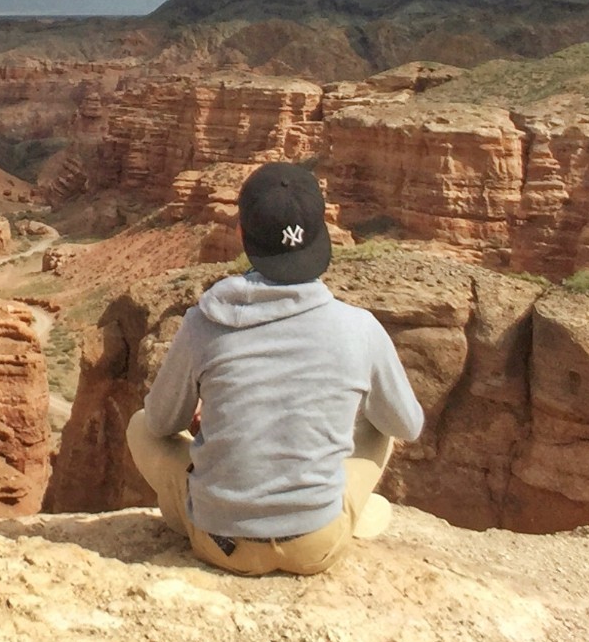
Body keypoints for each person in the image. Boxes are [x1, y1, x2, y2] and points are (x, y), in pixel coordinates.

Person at [124, 161, 424, 576]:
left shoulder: (204, 322)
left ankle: (216, 511)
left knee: (138, 426)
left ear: (243, 235)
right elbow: (408, 425)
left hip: (218, 544)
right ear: (322, 235)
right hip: (314, 547)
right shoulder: (360, 327)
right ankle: (347, 509)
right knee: (380, 426)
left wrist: (213, 423)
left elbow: (159, 423)